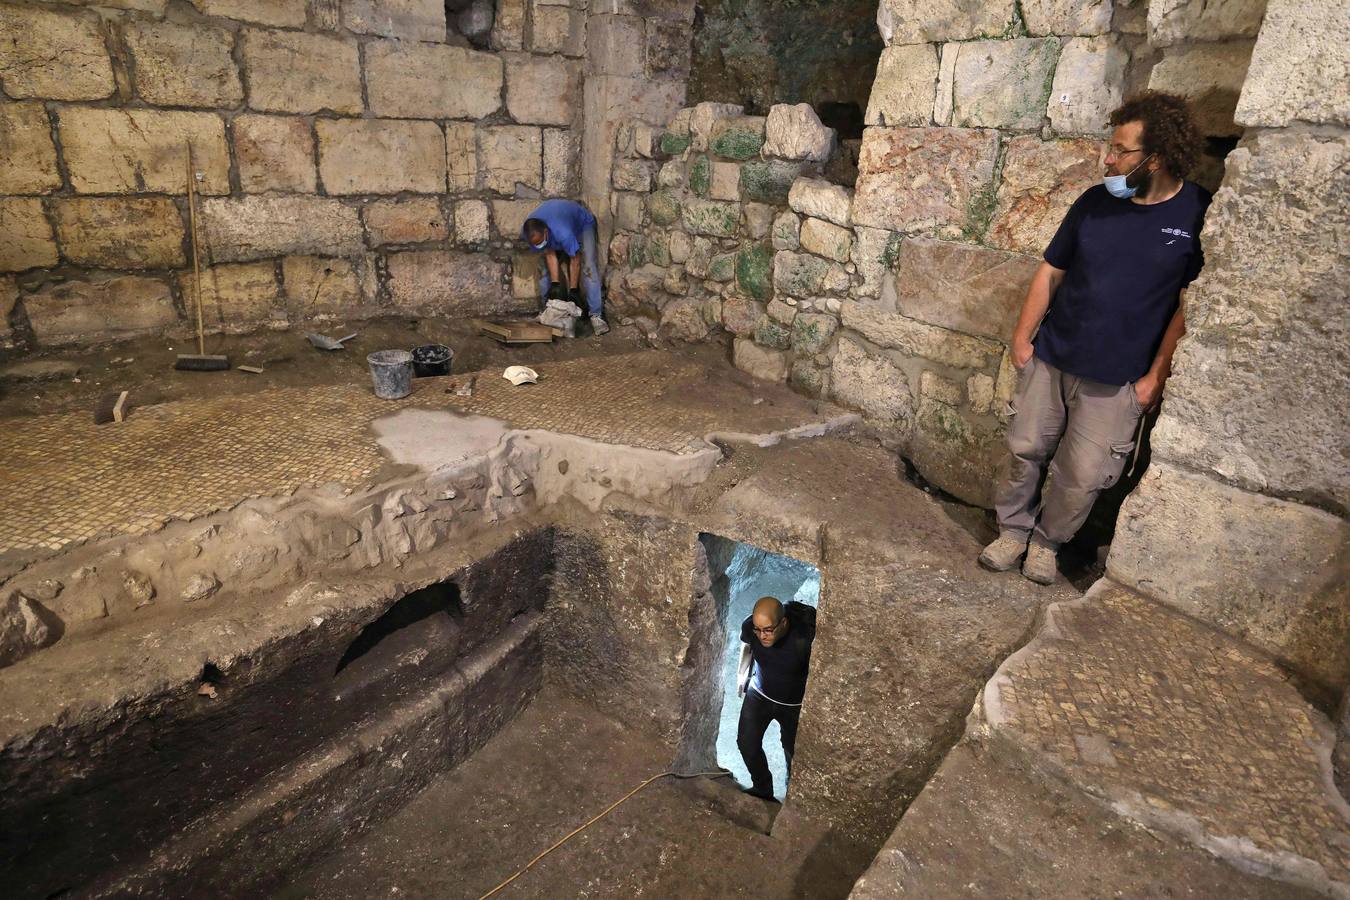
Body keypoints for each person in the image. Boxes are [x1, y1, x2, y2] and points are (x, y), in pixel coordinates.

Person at [979, 91, 1210, 585]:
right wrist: (1023, 339)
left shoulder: (1196, 213)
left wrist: (1155, 377)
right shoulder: (1094, 203)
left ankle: (1046, 544)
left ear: (1158, 156)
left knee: (1083, 476)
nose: (1109, 158)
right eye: (1112, 146)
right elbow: (1051, 271)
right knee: (1024, 450)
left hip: (1120, 377)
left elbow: (1188, 304)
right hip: (1054, 356)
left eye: (1121, 150)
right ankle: (1013, 532)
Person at [736, 596, 816, 800]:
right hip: (759, 694)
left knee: (793, 750)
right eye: (758, 630)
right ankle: (763, 788)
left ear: (784, 623)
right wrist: (741, 675)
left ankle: (792, 786)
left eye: (768, 630)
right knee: (747, 744)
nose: (762, 635)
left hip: (794, 704)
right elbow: (747, 646)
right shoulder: (751, 628)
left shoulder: (803, 641)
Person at [521, 199, 608, 335]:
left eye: (541, 241)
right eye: (536, 243)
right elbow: (548, 252)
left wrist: (573, 289)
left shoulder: (563, 232)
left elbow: (575, 259)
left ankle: (596, 316)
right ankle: (546, 312)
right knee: (543, 271)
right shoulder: (529, 232)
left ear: (546, 232)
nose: (539, 245)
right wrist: (555, 283)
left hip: (582, 225)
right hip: (557, 221)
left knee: (589, 267)